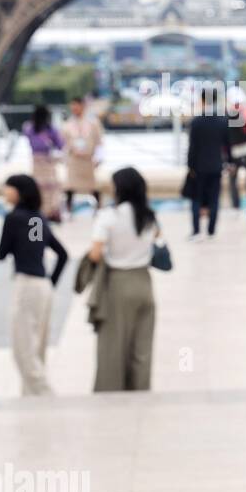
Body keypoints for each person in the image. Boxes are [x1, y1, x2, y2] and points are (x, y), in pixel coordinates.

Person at [87, 168, 160, 391]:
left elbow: (95, 254)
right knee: (142, 348)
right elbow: (157, 242)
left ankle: (111, 392)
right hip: (144, 283)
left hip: (118, 284)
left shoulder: (109, 217)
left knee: (113, 345)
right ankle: (140, 390)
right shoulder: (149, 217)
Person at [0, 174, 68, 395]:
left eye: (8, 188)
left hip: (27, 285)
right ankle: (30, 400)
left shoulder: (14, 218)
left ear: (18, 192)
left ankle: (46, 396)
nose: (4, 192)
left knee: (23, 350)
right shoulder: (37, 219)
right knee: (37, 349)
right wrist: (51, 282)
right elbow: (60, 253)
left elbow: (1, 253)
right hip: (43, 286)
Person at [185, 85, 231, 239]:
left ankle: (197, 231)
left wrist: (190, 166)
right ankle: (211, 231)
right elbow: (227, 145)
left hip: (199, 167)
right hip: (216, 166)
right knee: (214, 198)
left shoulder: (196, 122)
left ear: (203, 100)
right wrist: (229, 162)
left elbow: (192, 147)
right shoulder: (223, 120)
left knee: (196, 198)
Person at [21, 105, 65, 222]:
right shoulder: (51, 129)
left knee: (38, 187)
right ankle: (51, 211)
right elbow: (60, 145)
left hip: (36, 162)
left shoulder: (29, 128)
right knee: (52, 188)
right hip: (48, 161)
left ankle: (40, 211)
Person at [61, 96, 104, 216]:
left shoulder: (93, 123)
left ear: (83, 106)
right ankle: (68, 211)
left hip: (88, 159)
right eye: (72, 106)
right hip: (74, 160)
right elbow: (63, 144)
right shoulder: (67, 124)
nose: (74, 108)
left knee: (93, 185)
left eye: (77, 105)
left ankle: (99, 208)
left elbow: (99, 141)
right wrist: (64, 158)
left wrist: (99, 158)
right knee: (70, 186)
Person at [226, 95, 246, 209]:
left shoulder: (228, 117)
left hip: (234, 152)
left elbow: (225, 139)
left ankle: (236, 204)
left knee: (234, 179)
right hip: (245, 150)